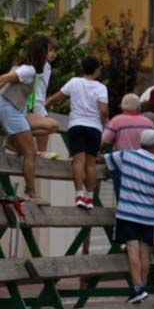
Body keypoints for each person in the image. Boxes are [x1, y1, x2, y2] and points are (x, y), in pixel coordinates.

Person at [104, 130, 154, 304]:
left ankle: (137, 288)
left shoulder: (127, 155)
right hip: (148, 216)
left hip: (127, 212)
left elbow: (106, 160)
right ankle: (143, 287)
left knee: (132, 248)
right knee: (144, 251)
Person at [46, 55, 108, 210]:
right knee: (91, 164)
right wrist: (101, 123)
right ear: (96, 70)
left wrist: (46, 104)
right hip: (94, 128)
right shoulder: (101, 88)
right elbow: (104, 110)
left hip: (76, 125)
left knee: (78, 161)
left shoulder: (74, 82)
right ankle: (90, 197)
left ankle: (79, 195)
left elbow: (57, 97)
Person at [0, 35, 50, 204]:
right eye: (47, 51)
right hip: (9, 108)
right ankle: (31, 193)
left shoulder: (23, 66)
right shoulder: (28, 70)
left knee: (50, 126)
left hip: (13, 109)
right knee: (30, 152)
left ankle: (14, 141)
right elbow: (4, 79)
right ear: (41, 53)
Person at [25, 36, 59, 156]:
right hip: (34, 101)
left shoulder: (48, 66)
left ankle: (41, 151)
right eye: (50, 50)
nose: (53, 54)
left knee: (46, 129)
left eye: (55, 51)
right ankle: (41, 151)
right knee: (45, 125)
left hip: (40, 101)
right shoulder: (39, 64)